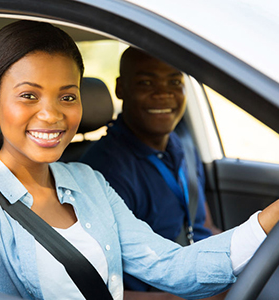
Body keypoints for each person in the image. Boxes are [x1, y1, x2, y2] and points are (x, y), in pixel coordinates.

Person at [0, 21, 279, 300]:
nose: (52, 114)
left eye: (67, 95)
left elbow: (170, 265)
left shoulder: (88, 181)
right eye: (28, 95)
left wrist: (270, 217)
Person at [80, 47, 221, 292]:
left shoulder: (183, 145)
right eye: (146, 82)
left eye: (175, 82)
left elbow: (204, 226)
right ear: (121, 88)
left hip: (201, 274)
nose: (163, 93)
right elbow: (101, 286)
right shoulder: (104, 170)